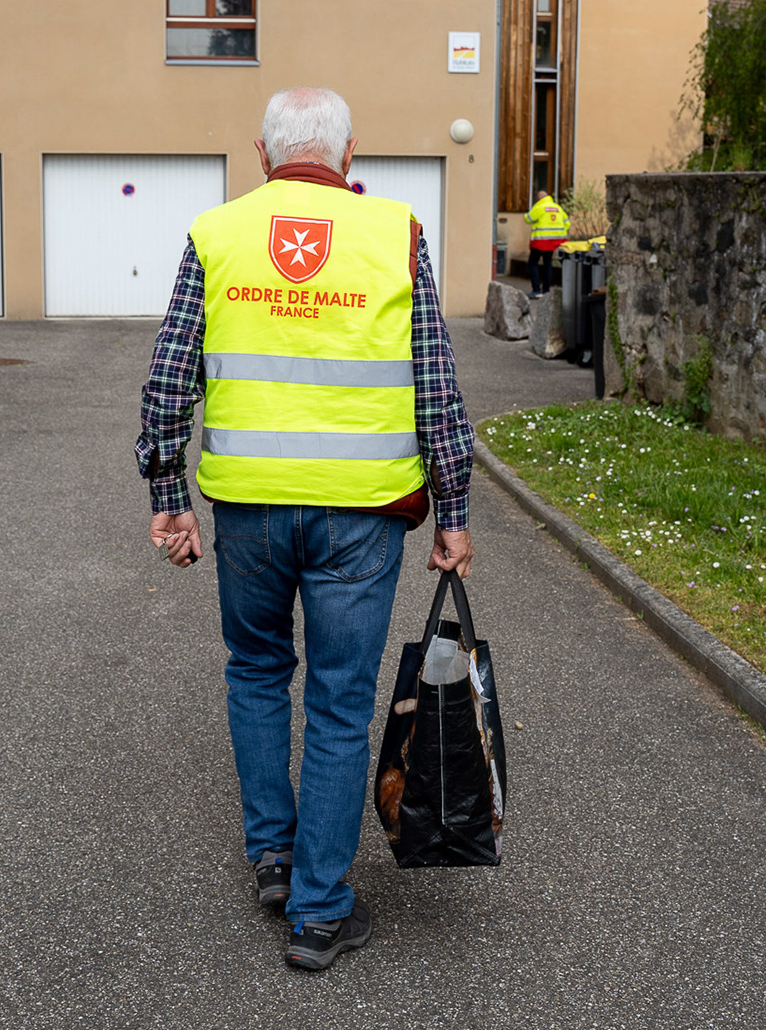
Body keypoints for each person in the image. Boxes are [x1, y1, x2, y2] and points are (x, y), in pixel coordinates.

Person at [136, 87, 476, 972]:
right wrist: (456, 511)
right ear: (350, 154)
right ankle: (320, 912)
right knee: (335, 699)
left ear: (262, 154)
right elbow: (435, 383)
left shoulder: (218, 234)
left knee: (255, 670)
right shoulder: (394, 231)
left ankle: (276, 858)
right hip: (361, 517)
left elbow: (171, 380)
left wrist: (167, 494)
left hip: (247, 507)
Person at [524, 191, 570, 298]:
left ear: (539, 198)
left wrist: (527, 213)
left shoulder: (539, 206)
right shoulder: (558, 207)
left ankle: (536, 290)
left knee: (532, 263)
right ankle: (546, 291)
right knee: (547, 264)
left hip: (540, 240)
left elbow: (528, 219)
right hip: (553, 241)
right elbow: (567, 223)